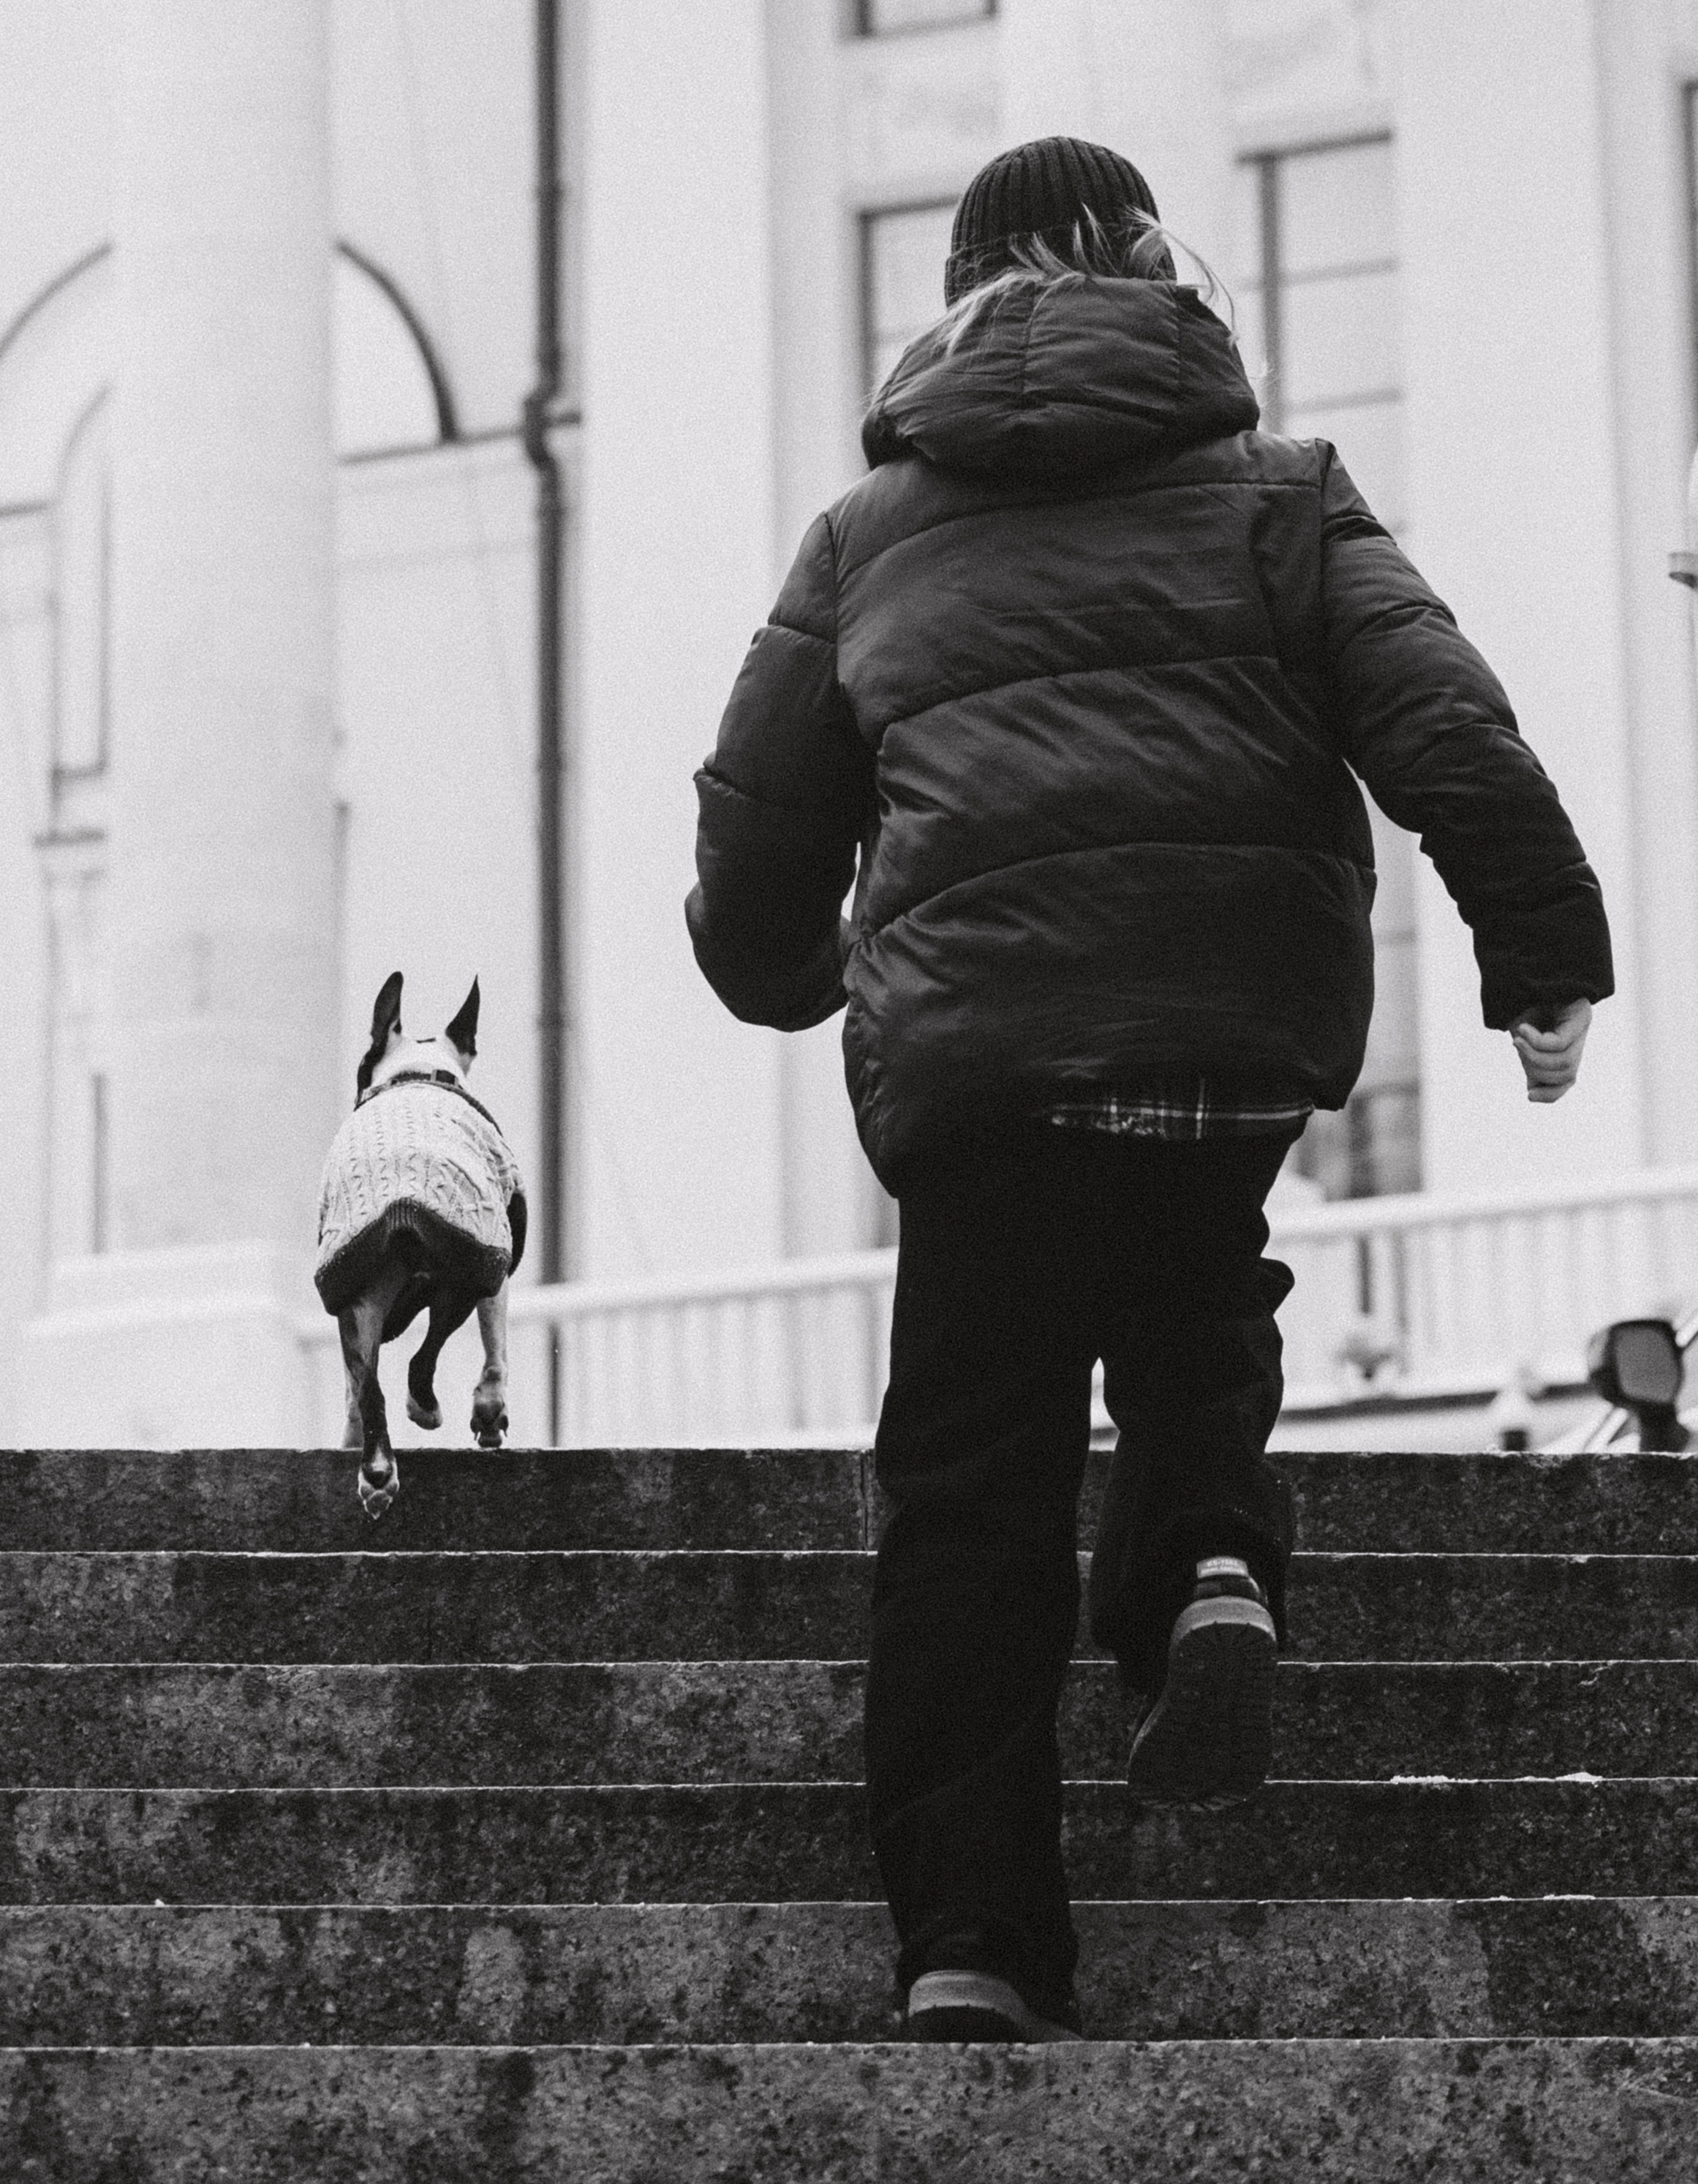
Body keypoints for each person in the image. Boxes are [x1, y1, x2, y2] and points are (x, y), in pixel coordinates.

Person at [685, 135, 1612, 2045]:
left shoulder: (869, 536)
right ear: (1152, 265)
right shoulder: (1283, 493)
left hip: (986, 1055)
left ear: (956, 296)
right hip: (1223, 1008)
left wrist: (783, 969)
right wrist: (1542, 955)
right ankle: (1202, 1560)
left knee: (974, 1478)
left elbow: (762, 823)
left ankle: (975, 1942)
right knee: (1199, 1298)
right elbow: (1446, 719)